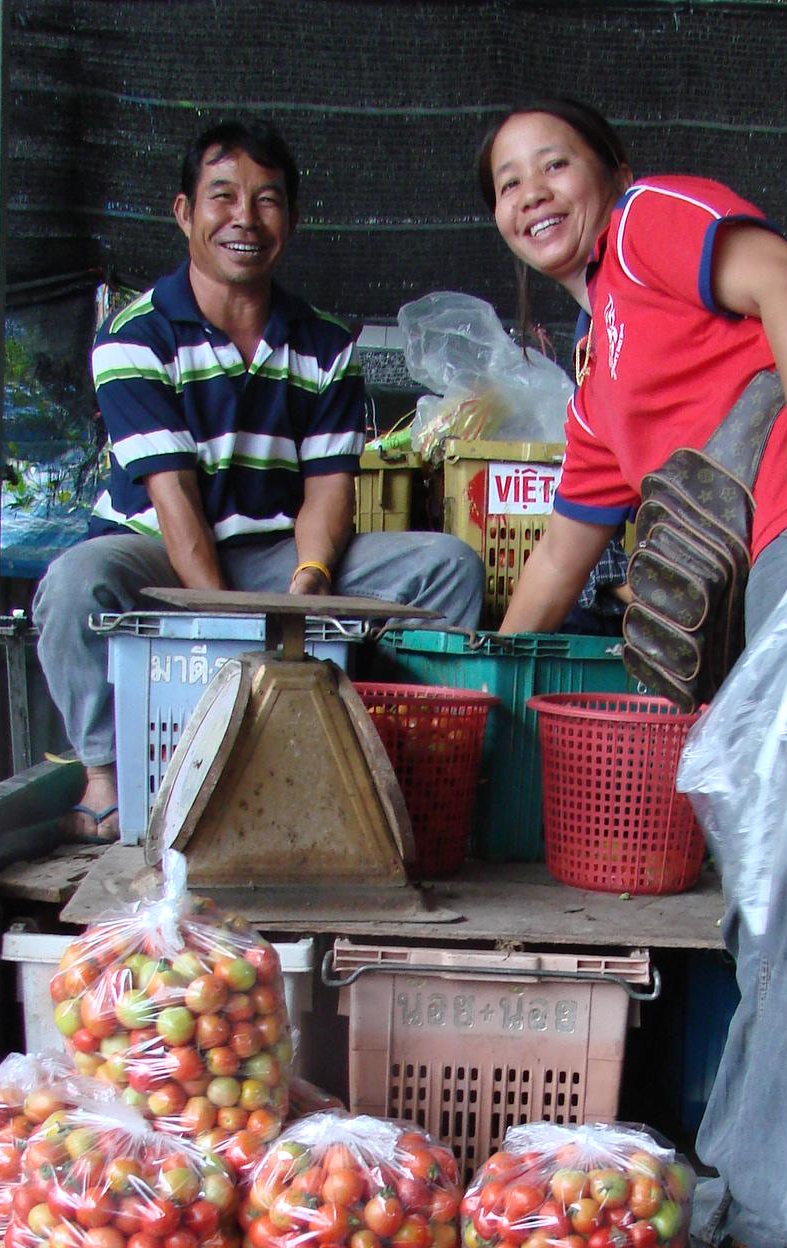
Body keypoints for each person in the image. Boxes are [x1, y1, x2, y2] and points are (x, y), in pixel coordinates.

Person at [481, 100, 787, 1248]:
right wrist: (481, 674)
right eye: (508, 183)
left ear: (611, 171)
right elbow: (560, 554)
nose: (533, 193)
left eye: (555, 164)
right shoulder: (597, 383)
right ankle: (756, 1176)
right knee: (761, 856)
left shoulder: (652, 222)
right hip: (781, 570)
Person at [36, 119, 484, 839]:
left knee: (448, 567)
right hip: (156, 553)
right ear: (185, 213)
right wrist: (240, 637)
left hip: (275, 555)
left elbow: (329, 490)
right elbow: (174, 500)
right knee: (73, 583)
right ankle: (109, 779)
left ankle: (392, 767)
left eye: (267, 200)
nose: (244, 218)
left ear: (291, 221)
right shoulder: (134, 336)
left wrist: (309, 580)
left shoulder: (326, 344)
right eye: (222, 196)